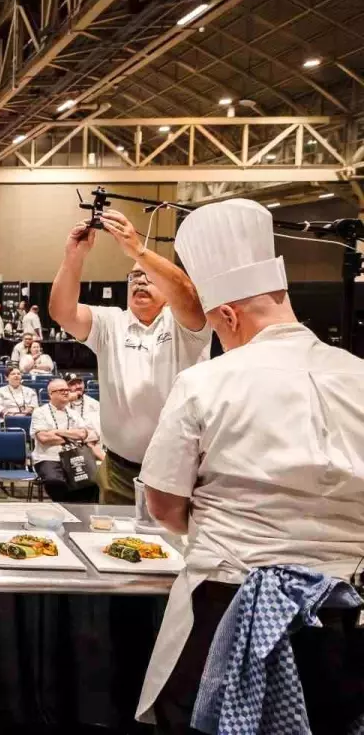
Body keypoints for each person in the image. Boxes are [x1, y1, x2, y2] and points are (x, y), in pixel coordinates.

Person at [127, 198, 364, 731]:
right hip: (342, 619)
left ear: (228, 315)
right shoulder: (359, 375)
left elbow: (163, 503)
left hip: (228, 610)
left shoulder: (207, 382)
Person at [48, 207, 210, 504]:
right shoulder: (111, 323)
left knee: (173, 548)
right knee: (112, 546)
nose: (139, 280)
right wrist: (74, 257)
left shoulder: (185, 324)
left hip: (179, 471)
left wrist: (138, 250)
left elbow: (189, 294)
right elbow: (62, 312)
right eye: (134, 276)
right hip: (119, 469)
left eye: (148, 276)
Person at [30, 378, 102, 503]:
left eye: (67, 390)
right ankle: (67, 507)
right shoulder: (40, 412)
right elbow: (44, 438)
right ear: (51, 394)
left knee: (92, 481)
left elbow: (83, 434)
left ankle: (81, 511)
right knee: (55, 481)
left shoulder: (73, 413)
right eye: (61, 390)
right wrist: (71, 436)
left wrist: (57, 432)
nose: (66, 393)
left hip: (74, 456)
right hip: (48, 457)